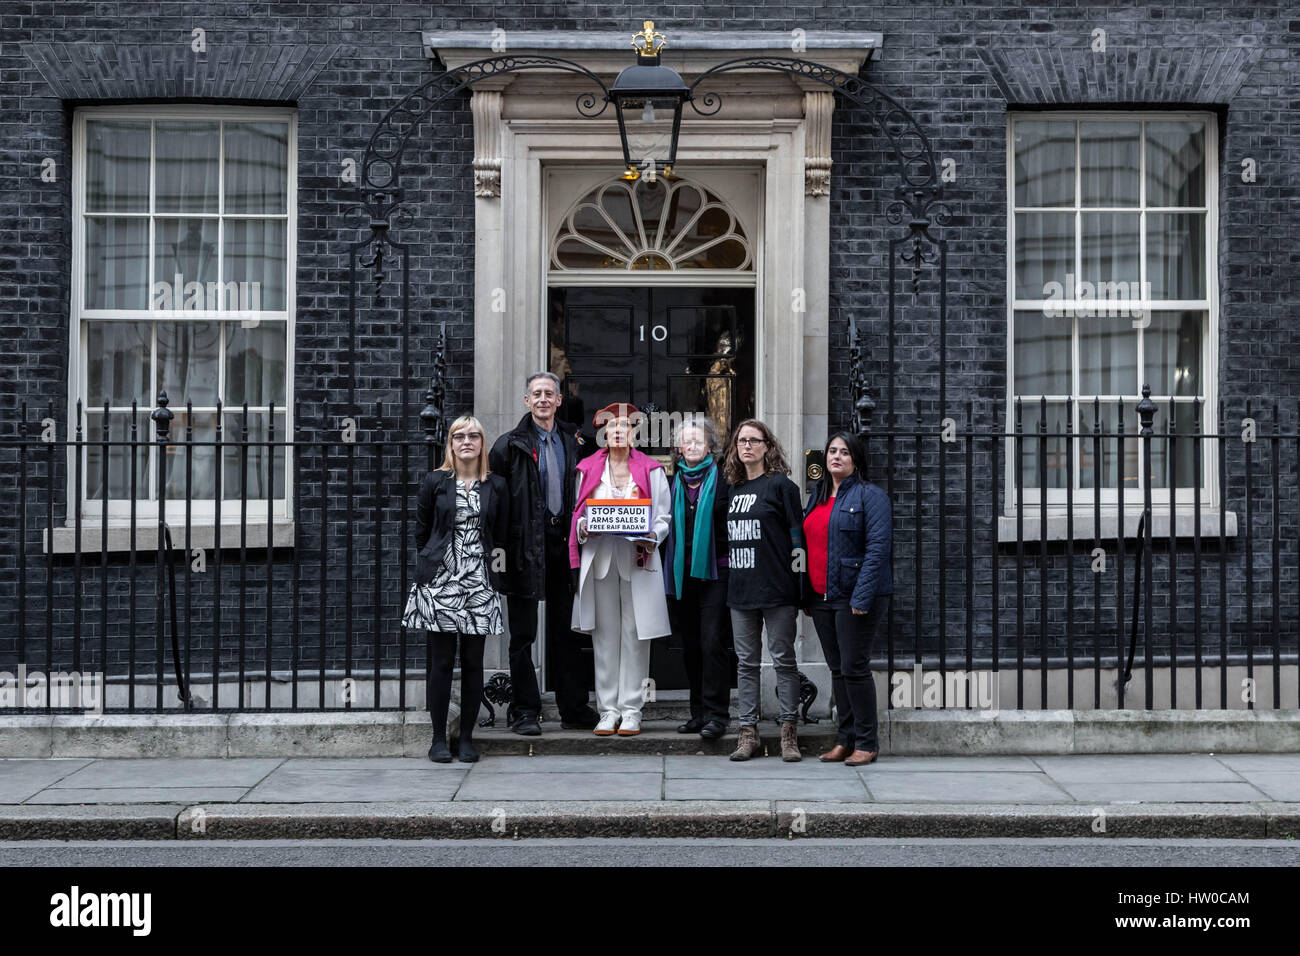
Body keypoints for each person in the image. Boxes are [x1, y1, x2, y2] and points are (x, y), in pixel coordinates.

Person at [488, 372, 600, 736]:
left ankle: (573, 707)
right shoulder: (508, 446)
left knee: (568, 630)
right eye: (536, 394)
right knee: (523, 634)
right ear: (526, 401)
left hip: (564, 543)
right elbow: (497, 504)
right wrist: (500, 551)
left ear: (558, 400)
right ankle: (524, 711)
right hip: (525, 547)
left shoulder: (575, 441)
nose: (542, 399)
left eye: (549, 394)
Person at [402, 416, 508, 764]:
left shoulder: (496, 485)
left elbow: (502, 533)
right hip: (440, 580)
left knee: (474, 662)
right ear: (450, 443)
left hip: (479, 578)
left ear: (481, 443)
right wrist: (434, 564)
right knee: (442, 661)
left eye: (473, 436)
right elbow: (422, 531)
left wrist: (495, 573)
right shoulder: (435, 481)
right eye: (459, 436)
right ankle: (437, 739)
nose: (466, 441)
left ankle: (466, 738)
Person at [570, 403, 672, 736]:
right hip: (600, 558)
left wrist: (653, 536)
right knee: (605, 635)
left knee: (636, 636)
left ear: (633, 434)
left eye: (625, 427)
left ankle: (632, 709)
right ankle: (607, 709)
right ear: (602, 433)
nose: (618, 432)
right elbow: (579, 516)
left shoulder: (652, 470)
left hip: (636, 560)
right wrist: (585, 529)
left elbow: (662, 518)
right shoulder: (586, 469)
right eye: (612, 427)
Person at [801, 432, 893, 767]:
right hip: (822, 595)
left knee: (854, 668)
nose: (836, 456)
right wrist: (806, 594)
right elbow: (808, 546)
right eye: (831, 451)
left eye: (844, 452)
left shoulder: (872, 496)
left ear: (856, 459)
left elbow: (878, 549)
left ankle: (867, 743)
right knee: (838, 669)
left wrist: (862, 594)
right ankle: (845, 739)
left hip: (855, 596)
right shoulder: (818, 495)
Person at [723, 419, 806, 762]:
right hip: (741, 591)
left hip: (777, 589)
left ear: (767, 446)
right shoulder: (733, 488)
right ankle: (748, 733)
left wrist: (800, 589)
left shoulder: (781, 487)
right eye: (742, 441)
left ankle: (788, 732)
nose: (747, 446)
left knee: (783, 660)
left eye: (754, 441)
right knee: (746, 663)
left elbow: (797, 539)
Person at [663, 415, 732, 739]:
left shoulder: (724, 479)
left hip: (714, 574)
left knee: (712, 643)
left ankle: (717, 715)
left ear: (710, 446)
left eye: (698, 441)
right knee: (690, 646)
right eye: (686, 441)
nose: (691, 446)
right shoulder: (671, 481)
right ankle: (697, 714)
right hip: (681, 575)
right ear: (679, 448)